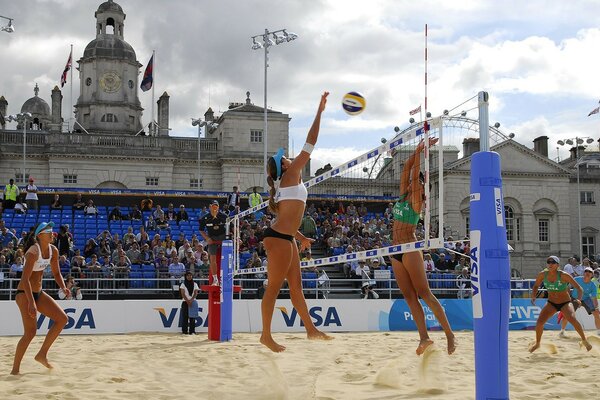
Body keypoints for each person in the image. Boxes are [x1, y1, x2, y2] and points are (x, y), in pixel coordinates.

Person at [261, 92, 332, 352]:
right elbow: (311, 141)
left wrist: (300, 238)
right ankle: (266, 336)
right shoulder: (291, 174)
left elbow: (287, 217)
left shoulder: (288, 181)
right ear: (283, 166)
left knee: (296, 288)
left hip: (286, 237)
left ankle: (311, 330)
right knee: (274, 288)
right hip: (279, 239)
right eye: (285, 157)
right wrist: (320, 111)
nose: (289, 156)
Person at [390, 137, 456, 356]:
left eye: (415, 182)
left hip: (409, 248)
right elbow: (407, 169)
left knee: (425, 294)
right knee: (409, 297)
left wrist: (421, 155)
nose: (410, 182)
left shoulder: (417, 199)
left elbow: (414, 172)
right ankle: (424, 338)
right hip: (394, 252)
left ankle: (449, 335)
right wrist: (417, 150)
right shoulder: (402, 195)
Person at [11, 222, 71, 375]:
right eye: (48, 231)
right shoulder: (33, 252)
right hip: (24, 294)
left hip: (38, 292)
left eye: (52, 230)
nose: (52, 233)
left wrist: (63, 287)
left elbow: (57, 274)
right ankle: (15, 371)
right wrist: (31, 302)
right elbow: (25, 280)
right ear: (39, 235)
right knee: (30, 333)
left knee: (62, 319)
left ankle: (42, 354)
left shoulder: (53, 250)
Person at [529, 256, 592, 352]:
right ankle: (538, 343)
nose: (550, 264)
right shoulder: (542, 274)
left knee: (572, 319)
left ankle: (584, 340)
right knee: (539, 323)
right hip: (551, 303)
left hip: (565, 303)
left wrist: (579, 299)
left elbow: (579, 288)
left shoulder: (563, 275)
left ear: (557, 265)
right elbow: (536, 286)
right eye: (548, 262)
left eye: (553, 262)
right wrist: (533, 296)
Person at [558, 266, 600, 337]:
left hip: (586, 299)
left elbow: (594, 298)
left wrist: (596, 307)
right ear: (583, 273)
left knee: (596, 314)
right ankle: (562, 331)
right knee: (566, 315)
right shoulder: (576, 279)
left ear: (592, 275)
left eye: (590, 272)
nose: (587, 273)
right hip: (575, 298)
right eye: (586, 271)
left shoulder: (593, 285)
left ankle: (599, 332)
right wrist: (567, 298)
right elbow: (568, 287)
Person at [198, 200, 228, 286]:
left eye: (216, 206)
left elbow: (232, 227)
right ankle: (215, 279)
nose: (215, 208)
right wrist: (207, 238)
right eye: (213, 206)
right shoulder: (205, 218)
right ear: (210, 207)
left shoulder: (224, 216)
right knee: (212, 259)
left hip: (223, 236)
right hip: (212, 238)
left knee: (227, 258)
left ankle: (226, 278)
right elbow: (201, 230)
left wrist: (235, 238)